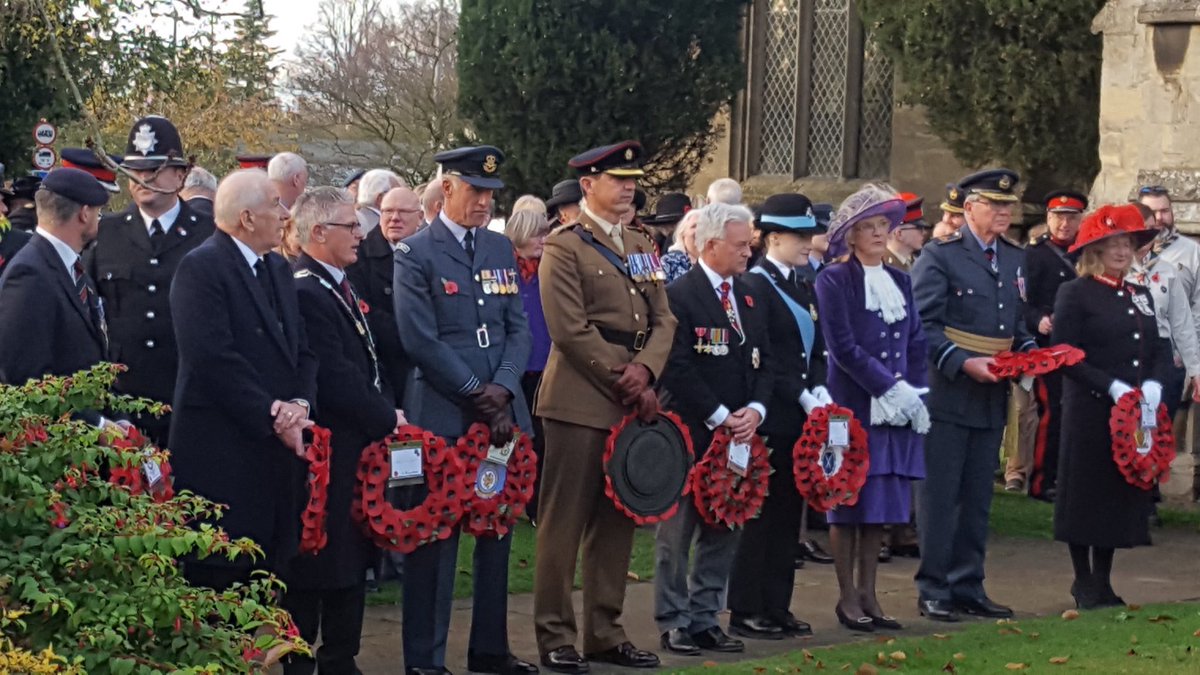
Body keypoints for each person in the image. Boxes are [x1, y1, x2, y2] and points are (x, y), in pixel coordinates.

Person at [534, 141, 677, 674]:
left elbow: (665, 318)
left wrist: (648, 372)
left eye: (633, 178)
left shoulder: (641, 241)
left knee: (618, 522)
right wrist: (628, 378)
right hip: (579, 398)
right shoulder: (565, 245)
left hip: (630, 396)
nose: (629, 186)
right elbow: (568, 329)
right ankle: (555, 636)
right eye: (618, 178)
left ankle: (605, 632)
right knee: (563, 523)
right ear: (588, 184)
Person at [393, 146, 537, 675]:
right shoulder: (414, 253)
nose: (484, 202)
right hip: (444, 414)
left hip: (499, 415)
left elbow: (516, 326)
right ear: (447, 188)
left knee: (496, 525)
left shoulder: (499, 248)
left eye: (490, 194)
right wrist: (478, 389)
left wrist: (501, 388)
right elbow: (420, 338)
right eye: (474, 191)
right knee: (436, 536)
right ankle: (425, 660)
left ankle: (490, 650)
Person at [169, 169, 318, 591]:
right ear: (247, 218)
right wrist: (273, 413)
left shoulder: (277, 268)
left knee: (271, 577)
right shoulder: (201, 268)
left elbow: (302, 351)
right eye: (276, 204)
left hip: (275, 461)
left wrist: (301, 406)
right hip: (223, 457)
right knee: (223, 581)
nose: (286, 214)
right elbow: (211, 358)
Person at [283, 187, 405, 675]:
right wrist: (383, 416)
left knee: (352, 552)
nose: (361, 234)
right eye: (349, 226)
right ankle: (301, 657)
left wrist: (386, 408)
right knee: (320, 557)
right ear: (317, 233)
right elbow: (334, 378)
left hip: (357, 445)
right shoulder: (306, 289)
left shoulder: (338, 282)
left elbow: (369, 361)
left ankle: (341, 656)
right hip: (327, 450)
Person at [911, 169, 1037, 623]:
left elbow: (1014, 324)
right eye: (994, 205)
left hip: (991, 392)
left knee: (979, 495)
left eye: (1008, 206)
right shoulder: (939, 256)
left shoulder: (1015, 258)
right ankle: (934, 587)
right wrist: (963, 361)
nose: (1004, 212)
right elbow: (922, 326)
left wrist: (1028, 354)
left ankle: (968, 583)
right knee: (940, 495)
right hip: (948, 391)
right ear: (968, 209)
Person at [655, 203, 770, 656]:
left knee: (726, 524)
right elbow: (677, 367)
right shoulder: (679, 295)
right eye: (740, 245)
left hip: (739, 435)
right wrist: (721, 415)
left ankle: (706, 617)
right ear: (710, 244)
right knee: (676, 534)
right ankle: (673, 619)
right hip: (692, 432)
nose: (748, 252)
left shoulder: (750, 295)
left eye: (749, 244)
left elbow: (765, 361)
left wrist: (755, 411)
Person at [817, 184, 930, 632]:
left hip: (896, 408)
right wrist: (887, 387)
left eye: (884, 225)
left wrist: (915, 393)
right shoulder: (833, 280)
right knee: (849, 501)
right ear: (851, 235)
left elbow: (916, 341)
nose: (879, 234)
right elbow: (842, 347)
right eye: (868, 227)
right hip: (853, 407)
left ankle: (871, 594)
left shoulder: (901, 279)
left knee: (880, 504)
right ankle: (847, 598)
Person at [1051, 203, 1164, 609]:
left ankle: (1104, 580)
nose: (1121, 251)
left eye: (1127, 244)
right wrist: (1110, 386)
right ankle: (1083, 581)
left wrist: (1152, 383)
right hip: (1090, 408)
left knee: (1117, 495)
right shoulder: (1075, 293)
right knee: (1086, 495)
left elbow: (1157, 347)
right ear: (1094, 250)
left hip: (1132, 413)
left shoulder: (1139, 294)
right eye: (1112, 244)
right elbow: (1063, 351)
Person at [83, 115, 217, 447]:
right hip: (123, 400)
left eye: (153, 170)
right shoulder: (107, 233)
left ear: (180, 174)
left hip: (190, 398)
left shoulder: (208, 233)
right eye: (134, 170)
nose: (143, 178)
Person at [729, 193, 827, 640]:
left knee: (789, 513)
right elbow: (767, 354)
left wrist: (820, 388)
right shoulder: (755, 284)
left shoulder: (801, 283)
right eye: (799, 235)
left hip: (800, 414)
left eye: (810, 234)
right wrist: (801, 394)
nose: (809, 242)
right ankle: (748, 607)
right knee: (760, 515)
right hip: (771, 413)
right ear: (771, 238)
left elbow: (815, 349)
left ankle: (777, 603)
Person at [0, 168, 109, 401]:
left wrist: (115, 417)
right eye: (98, 213)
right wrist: (97, 424)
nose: (99, 220)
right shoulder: (29, 273)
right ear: (84, 213)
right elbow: (25, 377)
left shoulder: (71, 266)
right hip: (59, 432)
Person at [1015, 190, 1086, 499]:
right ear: (1047, 218)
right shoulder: (1034, 254)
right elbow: (1020, 301)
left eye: (1071, 217)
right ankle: (1043, 481)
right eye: (1058, 217)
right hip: (1049, 346)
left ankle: (1073, 478)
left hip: (1085, 344)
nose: (1064, 224)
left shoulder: (1088, 252)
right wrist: (1037, 320)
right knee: (1052, 413)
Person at [503, 209, 553, 520]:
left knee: (541, 438)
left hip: (545, 365)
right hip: (513, 366)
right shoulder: (504, 268)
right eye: (537, 234)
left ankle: (536, 505)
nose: (544, 240)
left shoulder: (549, 268)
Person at [1129, 202, 1200, 414]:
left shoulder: (1166, 271)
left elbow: (1182, 324)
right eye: (1138, 231)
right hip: (1124, 360)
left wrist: (1195, 370)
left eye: (1150, 231)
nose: (1145, 238)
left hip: (1161, 361)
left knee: (1160, 430)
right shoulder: (1113, 269)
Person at [883, 192, 930, 272]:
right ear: (899, 234)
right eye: (919, 228)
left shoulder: (916, 260)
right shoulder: (883, 267)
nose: (924, 233)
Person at [659, 210, 700, 284]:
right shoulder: (669, 262)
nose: (700, 230)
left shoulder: (718, 260)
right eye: (694, 226)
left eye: (704, 226)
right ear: (683, 233)